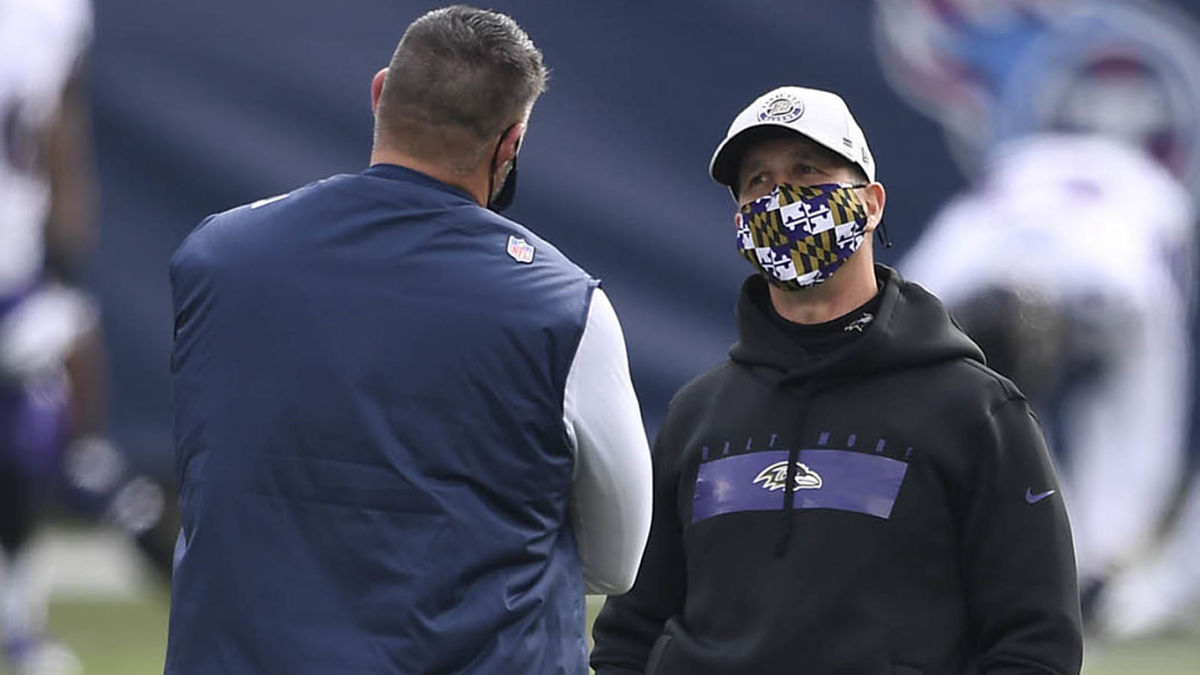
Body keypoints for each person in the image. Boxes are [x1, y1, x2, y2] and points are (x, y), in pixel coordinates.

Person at [164, 6, 652, 674]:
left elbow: (216, 468)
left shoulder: (214, 256)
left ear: (379, 92)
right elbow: (617, 559)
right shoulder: (565, 306)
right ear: (510, 143)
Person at [590, 86, 1082, 675]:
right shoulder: (698, 413)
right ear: (740, 217)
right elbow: (629, 634)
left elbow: (1036, 644)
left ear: (871, 203)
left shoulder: (975, 410)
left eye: (807, 171)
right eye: (758, 183)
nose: (781, 199)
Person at [900, 134, 1196, 629]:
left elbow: (1148, 414)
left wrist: (1104, 557)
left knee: (1115, 454)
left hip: (1142, 204)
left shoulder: (1124, 286)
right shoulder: (934, 282)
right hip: (1021, 191)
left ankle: (1103, 568)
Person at [1, 0, 178, 672]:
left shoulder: (50, 14)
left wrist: (62, 260)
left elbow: (59, 132)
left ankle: (22, 624)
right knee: (66, 446)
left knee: (41, 440)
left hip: (16, 266)